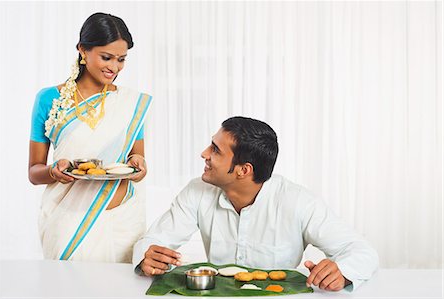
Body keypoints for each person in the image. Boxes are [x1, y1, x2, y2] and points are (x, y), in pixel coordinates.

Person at [132, 116, 378, 291]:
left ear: (243, 170)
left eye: (216, 150)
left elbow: (362, 252)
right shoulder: (197, 191)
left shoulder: (298, 202)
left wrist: (342, 272)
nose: (204, 154)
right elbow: (153, 242)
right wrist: (147, 258)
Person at [29, 12, 152, 263]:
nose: (114, 68)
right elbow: (34, 172)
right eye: (106, 57)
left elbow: (135, 158)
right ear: (83, 51)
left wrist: (139, 163)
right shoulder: (49, 99)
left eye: (121, 59)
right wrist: (53, 171)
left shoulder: (131, 103)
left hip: (124, 222)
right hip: (68, 221)